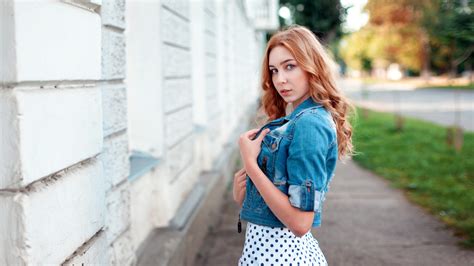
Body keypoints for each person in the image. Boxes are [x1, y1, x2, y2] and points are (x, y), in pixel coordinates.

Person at [233, 25, 354, 265]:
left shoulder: (309, 125)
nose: (280, 79)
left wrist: (251, 164)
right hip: (269, 250)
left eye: (290, 66)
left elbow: (300, 223)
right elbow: (279, 198)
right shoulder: (297, 119)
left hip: (280, 254)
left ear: (312, 66)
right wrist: (244, 195)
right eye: (274, 70)